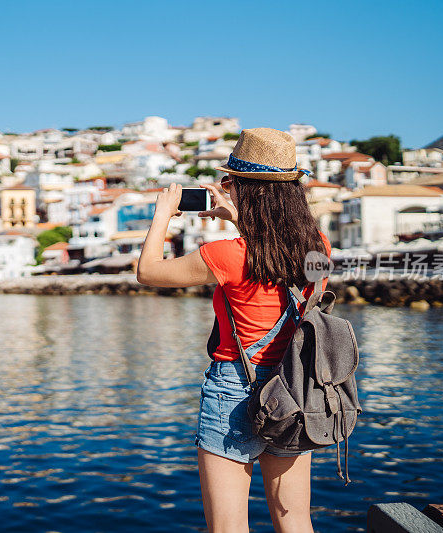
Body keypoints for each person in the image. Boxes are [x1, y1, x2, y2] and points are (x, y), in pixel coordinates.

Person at [136, 128, 331, 533]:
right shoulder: (319, 246)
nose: (226, 189)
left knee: (227, 527)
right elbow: (277, 261)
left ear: (247, 189)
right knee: (294, 519)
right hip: (295, 384)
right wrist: (240, 218)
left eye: (230, 182)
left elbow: (148, 272)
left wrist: (162, 215)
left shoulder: (225, 254)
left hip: (234, 389)